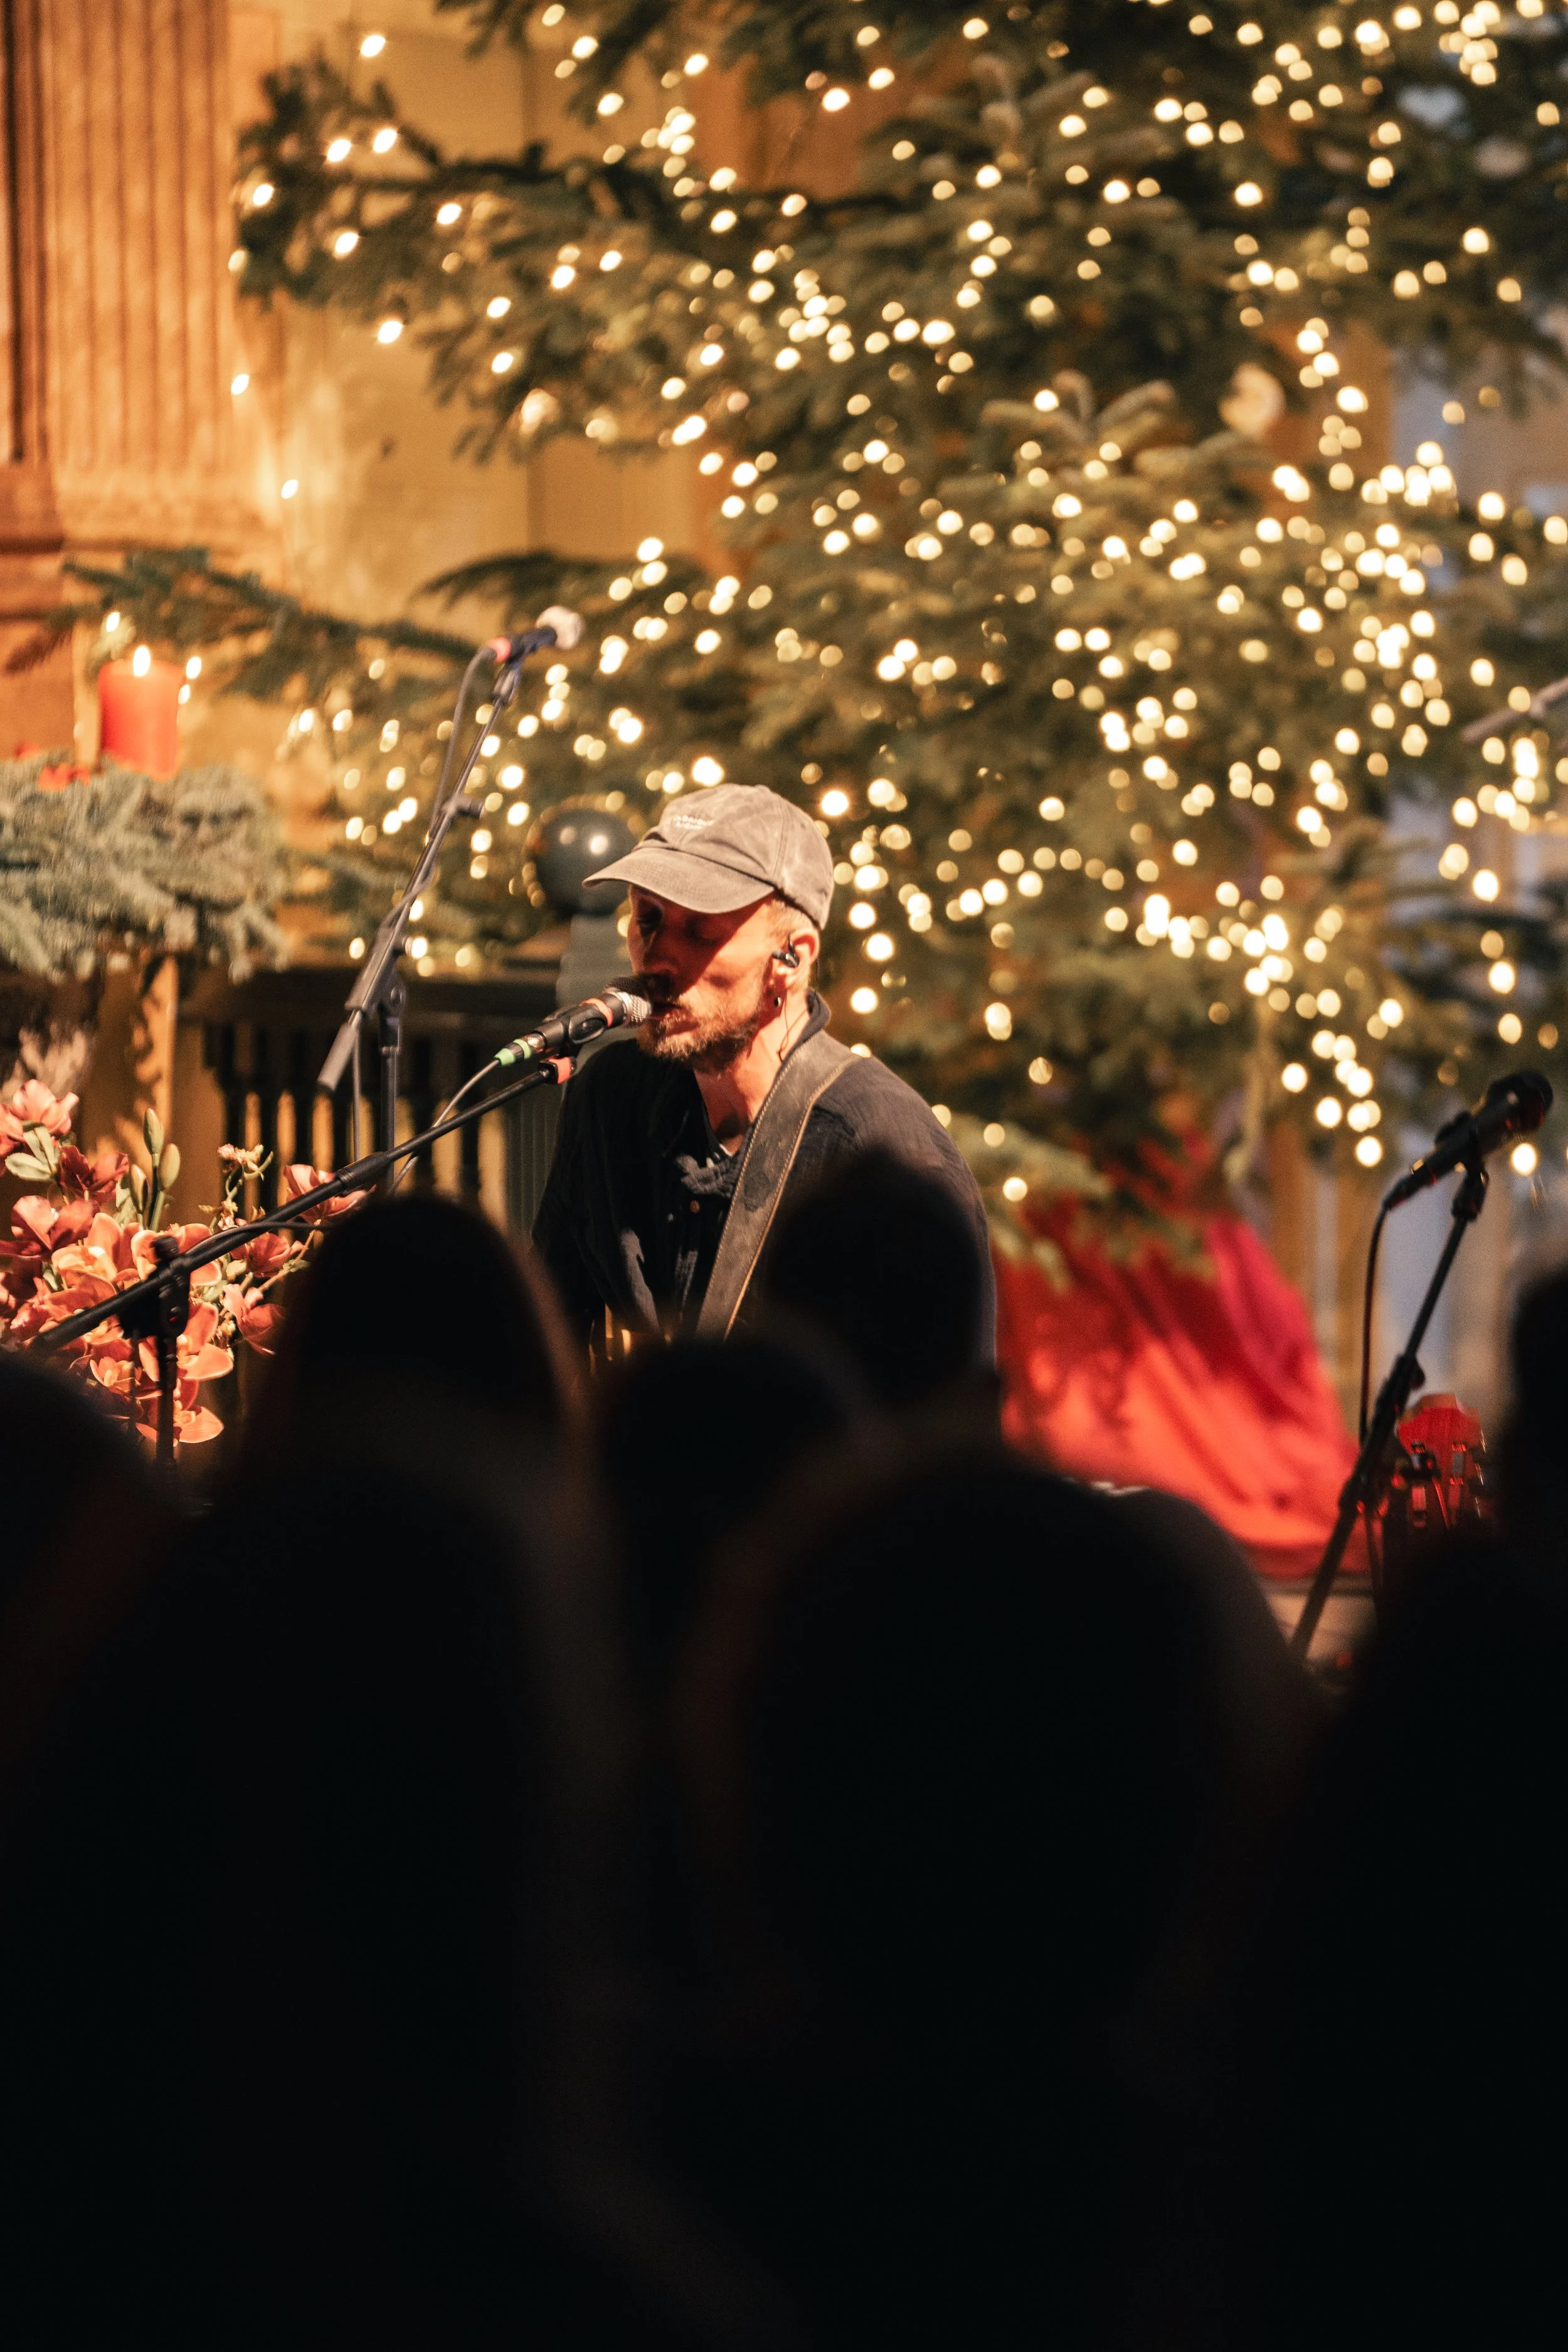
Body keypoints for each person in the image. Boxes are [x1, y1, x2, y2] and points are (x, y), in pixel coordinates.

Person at [532, 783, 993, 1364]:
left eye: (701, 930)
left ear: (791, 958)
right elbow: (540, 1347)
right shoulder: (610, 1097)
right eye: (648, 920)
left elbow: (946, 1429)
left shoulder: (882, 1147)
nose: (658, 959)